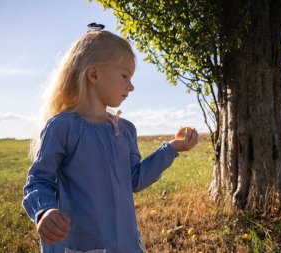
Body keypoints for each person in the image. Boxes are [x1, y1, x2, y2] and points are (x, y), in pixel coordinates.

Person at [22, 23, 199, 253]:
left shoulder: (125, 130)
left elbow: (135, 179)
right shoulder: (63, 127)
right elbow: (38, 180)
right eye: (125, 76)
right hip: (80, 245)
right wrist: (44, 210)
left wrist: (172, 148)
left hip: (124, 244)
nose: (131, 86)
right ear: (94, 75)